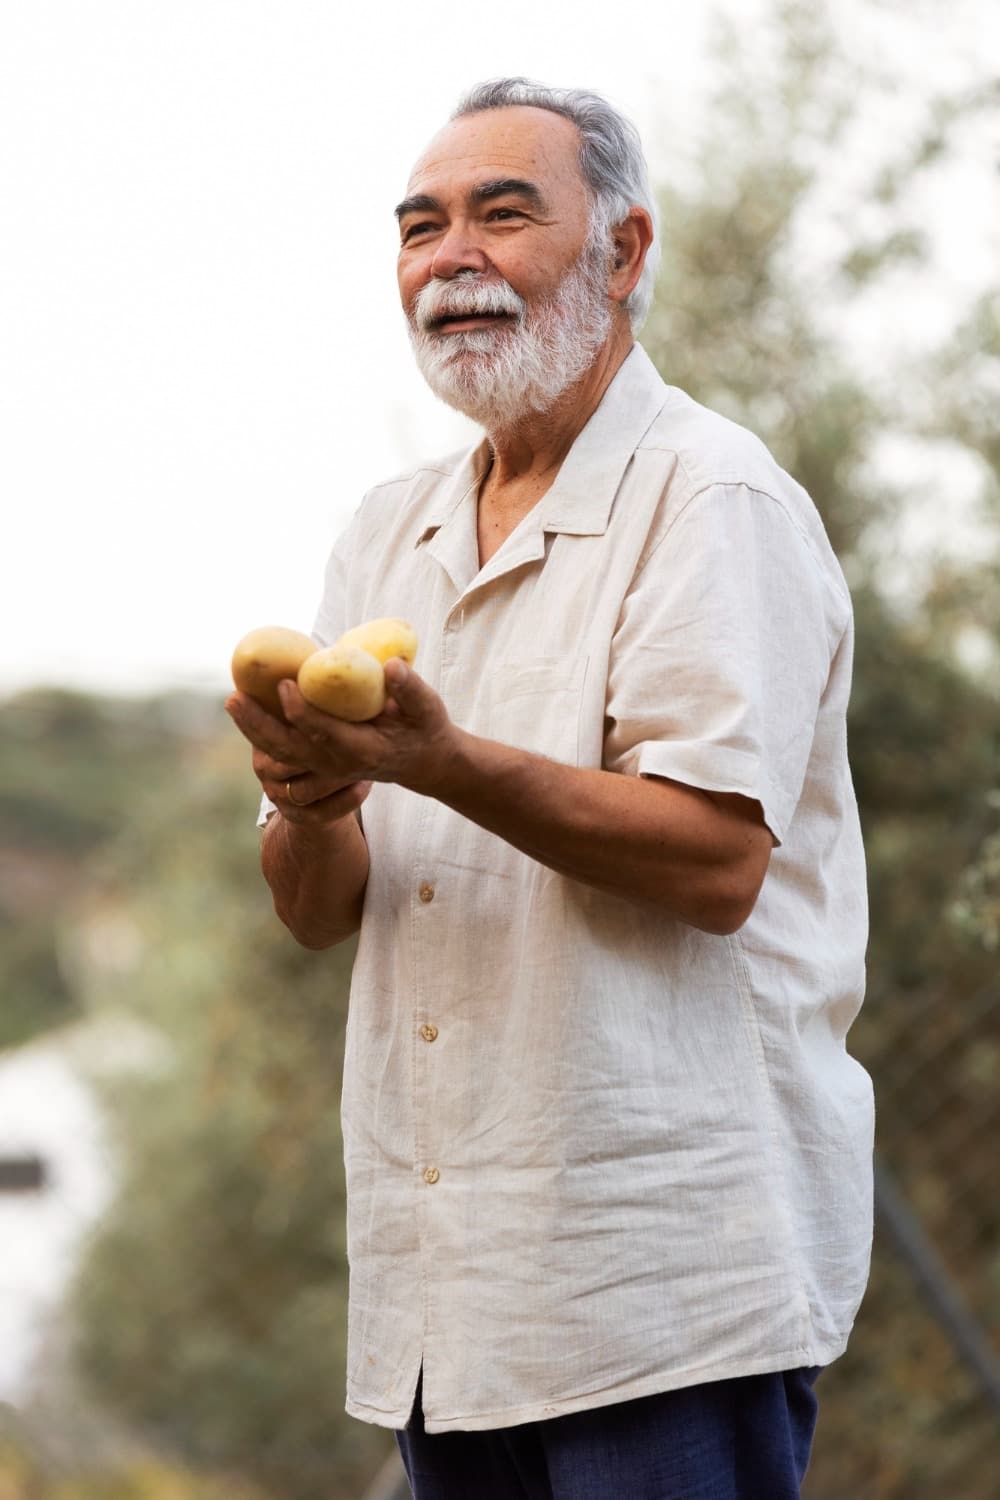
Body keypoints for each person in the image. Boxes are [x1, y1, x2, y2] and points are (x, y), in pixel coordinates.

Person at [226, 77, 874, 1500]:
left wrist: (437, 762)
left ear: (624, 253)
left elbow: (715, 864)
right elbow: (321, 913)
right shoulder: (383, 535)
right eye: (419, 227)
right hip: (443, 1297)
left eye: (501, 215)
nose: (450, 256)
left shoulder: (712, 500)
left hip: (661, 1290)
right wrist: (312, 797)